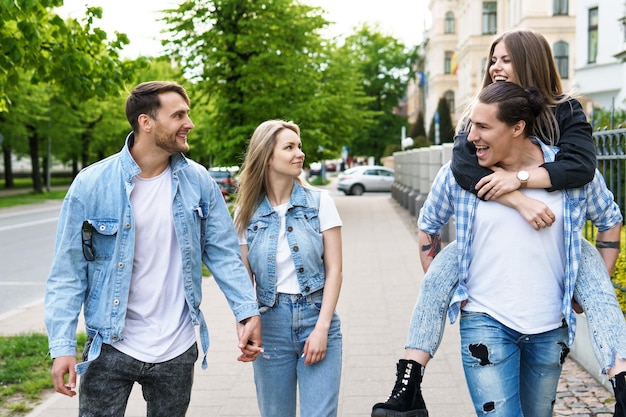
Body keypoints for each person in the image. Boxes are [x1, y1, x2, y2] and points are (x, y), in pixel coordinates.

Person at [372, 29, 626, 417]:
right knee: (447, 265)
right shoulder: (473, 138)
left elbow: (582, 169)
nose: (496, 67)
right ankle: (409, 376)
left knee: (589, 265)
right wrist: (516, 199)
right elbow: (457, 175)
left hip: (549, 321)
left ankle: (620, 376)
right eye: (493, 60)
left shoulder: (567, 115)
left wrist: (520, 178)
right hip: (485, 319)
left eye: (505, 60)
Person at [44, 81, 263, 417]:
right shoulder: (92, 184)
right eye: (178, 115)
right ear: (146, 122)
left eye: (187, 114)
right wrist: (62, 347)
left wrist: (246, 311)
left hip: (176, 348)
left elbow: (223, 253)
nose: (189, 123)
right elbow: (68, 272)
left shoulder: (199, 182)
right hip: (110, 345)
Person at [435, 81, 620, 415]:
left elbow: (610, 218)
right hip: (483, 319)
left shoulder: (570, 170)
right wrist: (449, 289)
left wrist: (587, 286)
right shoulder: (463, 171)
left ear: (517, 126)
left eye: (482, 126)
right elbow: (429, 225)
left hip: (550, 324)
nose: (469, 134)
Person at [234, 120, 344, 417]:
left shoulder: (320, 203)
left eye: (299, 146)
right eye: (290, 147)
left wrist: (321, 328)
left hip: (316, 317)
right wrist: (244, 325)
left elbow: (335, 271)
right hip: (270, 326)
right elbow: (242, 281)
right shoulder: (245, 214)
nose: (300, 153)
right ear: (267, 156)